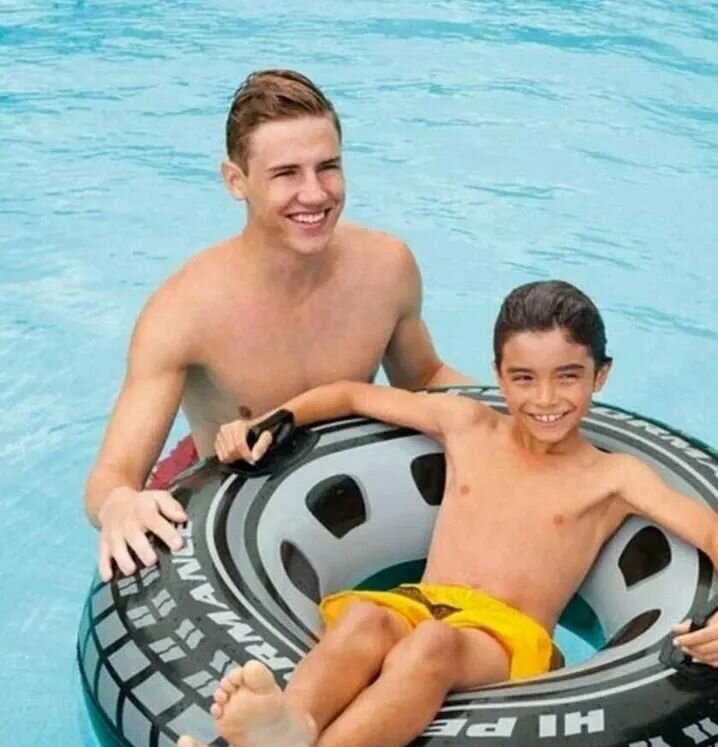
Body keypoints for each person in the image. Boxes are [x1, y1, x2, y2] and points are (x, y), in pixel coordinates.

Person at [176, 279, 718, 747]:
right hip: (423, 603)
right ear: (498, 376)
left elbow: (714, 530)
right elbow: (353, 395)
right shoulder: (467, 424)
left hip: (508, 639)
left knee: (432, 646)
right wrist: (275, 420)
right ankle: (293, 731)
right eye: (524, 378)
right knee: (364, 620)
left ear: (600, 376)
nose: (546, 400)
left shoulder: (611, 477)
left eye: (568, 377)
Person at [85, 69, 468, 583]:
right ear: (235, 181)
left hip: (359, 494)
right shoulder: (184, 313)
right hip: (229, 504)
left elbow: (423, 379)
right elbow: (113, 474)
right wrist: (118, 504)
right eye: (287, 174)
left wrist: (518, 409)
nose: (315, 194)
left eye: (328, 167)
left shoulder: (385, 268)